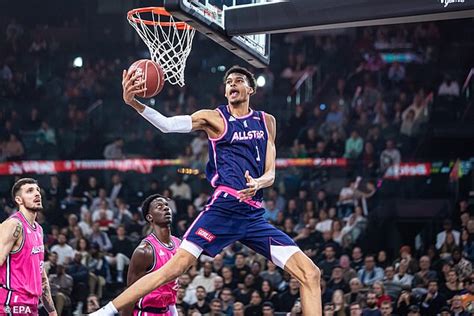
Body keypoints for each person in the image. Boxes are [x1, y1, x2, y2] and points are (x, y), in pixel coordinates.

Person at [91, 65, 321, 315]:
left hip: (253, 215)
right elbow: (168, 125)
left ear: (251, 89)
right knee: (174, 268)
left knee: (310, 273)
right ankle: (107, 311)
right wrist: (134, 103)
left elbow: (271, 173)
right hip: (223, 208)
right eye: (228, 82)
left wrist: (259, 183)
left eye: (239, 80)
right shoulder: (214, 118)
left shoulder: (267, 121)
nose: (232, 84)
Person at [0, 178, 57, 315]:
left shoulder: (39, 230)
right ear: (19, 200)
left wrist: (53, 312)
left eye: (37, 190)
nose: (37, 194)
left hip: (31, 306)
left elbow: (41, 276)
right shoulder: (13, 225)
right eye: (30, 191)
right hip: (11, 303)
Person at [121, 194, 181, 316]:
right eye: (159, 206)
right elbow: (129, 294)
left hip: (167, 311)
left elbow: (170, 288)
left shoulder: (178, 244)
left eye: (166, 205)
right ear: (150, 217)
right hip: (146, 312)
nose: (165, 208)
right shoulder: (144, 251)